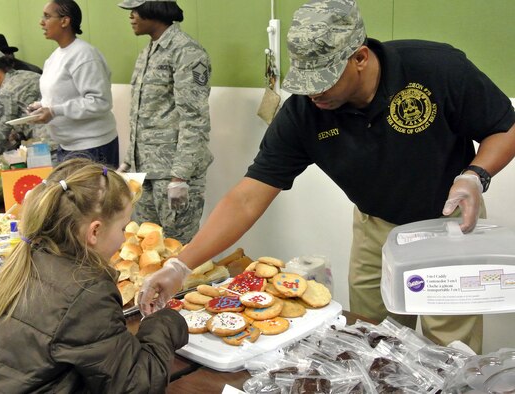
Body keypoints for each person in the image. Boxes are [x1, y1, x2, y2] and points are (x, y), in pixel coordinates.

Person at [137, 0, 515, 354]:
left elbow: (505, 126)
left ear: (360, 58)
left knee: (449, 345)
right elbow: (248, 197)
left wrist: (475, 175)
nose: (313, 91)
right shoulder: (305, 111)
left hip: (447, 226)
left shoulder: (436, 69)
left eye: (325, 79)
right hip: (375, 227)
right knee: (374, 337)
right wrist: (180, 266)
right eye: (304, 80)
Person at [0, 158, 188, 393]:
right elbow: (137, 384)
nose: (124, 238)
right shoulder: (86, 291)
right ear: (95, 231)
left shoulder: (30, 257)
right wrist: (165, 321)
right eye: (122, 228)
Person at [117, 0, 213, 244]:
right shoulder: (148, 51)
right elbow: (142, 114)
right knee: (147, 248)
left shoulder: (186, 51)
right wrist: (129, 162)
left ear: (155, 8)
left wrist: (180, 177)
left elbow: (194, 119)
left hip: (172, 174)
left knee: (177, 250)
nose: (131, 16)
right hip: (145, 171)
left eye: (135, 10)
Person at [29, 0, 119, 168]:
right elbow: (60, 96)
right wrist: (40, 107)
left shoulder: (84, 55)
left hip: (92, 147)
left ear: (65, 21)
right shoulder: (54, 57)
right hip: (66, 146)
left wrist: (54, 110)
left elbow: (100, 101)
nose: (41, 22)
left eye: (47, 17)